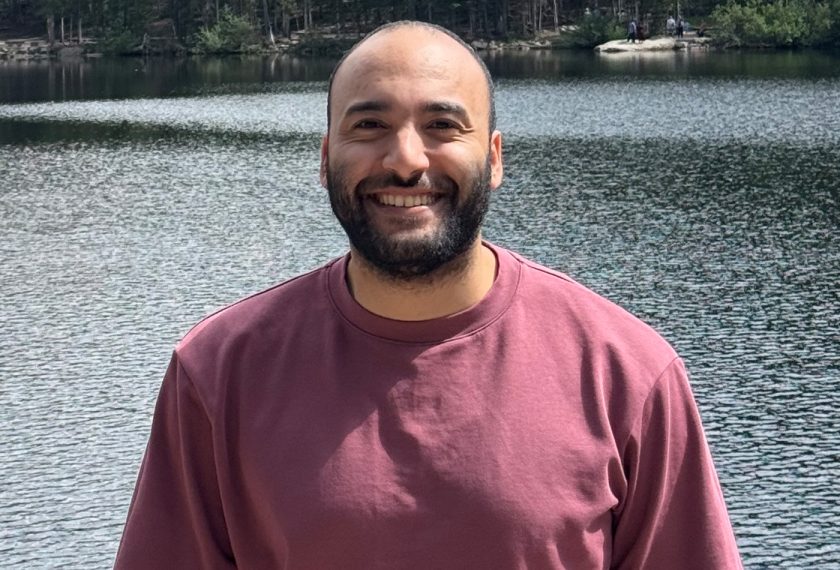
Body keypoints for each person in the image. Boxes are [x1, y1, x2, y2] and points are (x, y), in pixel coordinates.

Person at [114, 20, 743, 569]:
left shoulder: (626, 372)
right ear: (327, 157)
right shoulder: (220, 370)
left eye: (442, 125)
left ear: (494, 158)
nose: (406, 159)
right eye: (370, 125)